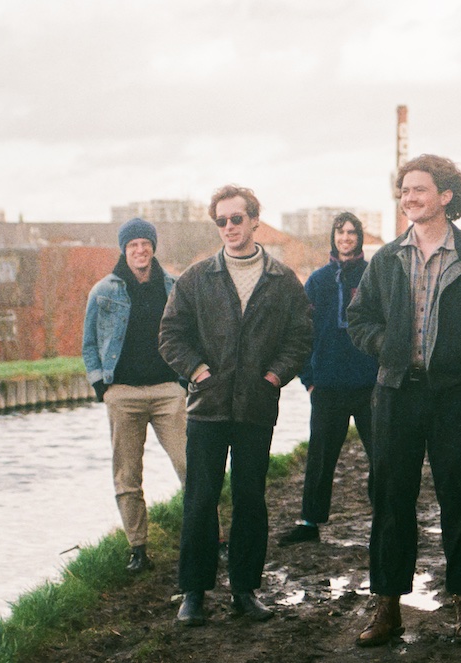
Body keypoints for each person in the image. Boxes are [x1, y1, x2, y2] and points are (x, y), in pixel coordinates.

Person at [347, 154, 461, 646]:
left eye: (419, 189)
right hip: (395, 395)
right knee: (390, 501)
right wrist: (386, 346)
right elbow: (359, 320)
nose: (409, 197)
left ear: (446, 196)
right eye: (404, 190)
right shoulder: (386, 258)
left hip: (455, 395)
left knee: (459, 501)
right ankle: (387, 609)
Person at [159, 185, 312, 627]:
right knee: (200, 499)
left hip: (255, 410)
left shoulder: (283, 280)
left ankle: (245, 591)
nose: (229, 228)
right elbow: (170, 334)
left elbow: (300, 338)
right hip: (206, 408)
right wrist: (198, 371)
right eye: (221, 221)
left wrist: (274, 376)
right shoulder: (196, 278)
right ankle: (193, 592)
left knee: (250, 499)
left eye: (236, 219)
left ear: (254, 220)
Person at [82, 218, 187, 574]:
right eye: (133, 245)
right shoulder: (103, 291)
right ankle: (138, 548)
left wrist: (184, 380)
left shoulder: (174, 286)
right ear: (124, 250)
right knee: (127, 474)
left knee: (192, 465)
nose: (140, 250)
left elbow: (191, 334)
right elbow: (89, 345)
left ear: (153, 247)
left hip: (167, 392)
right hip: (123, 393)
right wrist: (103, 387)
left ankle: (211, 538)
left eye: (145, 244)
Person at [277, 212, 378, 547]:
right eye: (340, 232)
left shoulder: (373, 276)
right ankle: (309, 522)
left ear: (359, 237)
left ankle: (385, 513)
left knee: (382, 454)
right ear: (333, 237)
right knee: (320, 457)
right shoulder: (318, 281)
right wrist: (308, 377)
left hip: (369, 385)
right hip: (327, 385)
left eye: (352, 232)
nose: (346, 238)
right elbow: (300, 331)